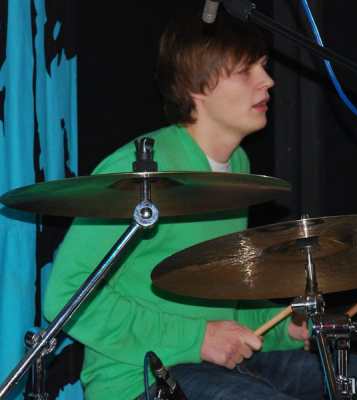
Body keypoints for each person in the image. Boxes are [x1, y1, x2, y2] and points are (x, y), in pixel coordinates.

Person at [44, 10, 326, 400]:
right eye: (246, 70)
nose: (267, 80)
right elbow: (66, 296)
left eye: (263, 66)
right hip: (139, 380)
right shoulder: (139, 171)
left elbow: (218, 306)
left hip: (218, 368)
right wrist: (198, 338)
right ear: (197, 87)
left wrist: (284, 329)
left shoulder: (238, 165)